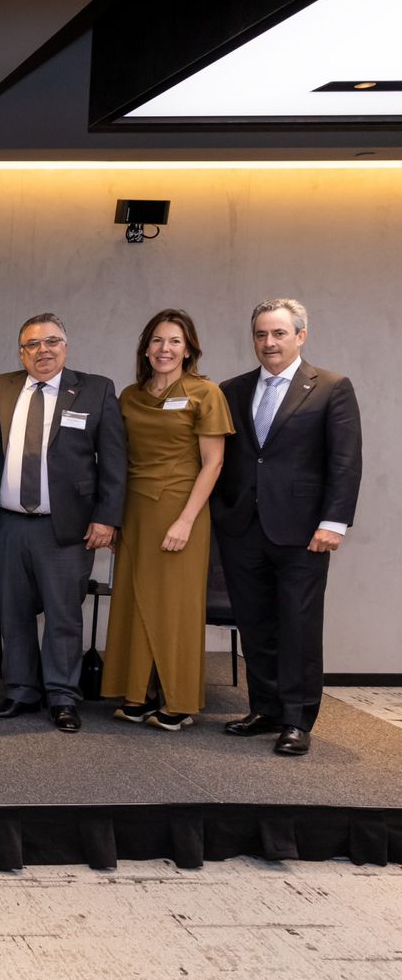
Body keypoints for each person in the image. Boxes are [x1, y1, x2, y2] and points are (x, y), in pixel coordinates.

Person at [212, 299, 362, 756]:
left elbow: (345, 460)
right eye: (261, 334)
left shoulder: (331, 387)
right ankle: (265, 709)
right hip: (243, 529)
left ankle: (297, 719)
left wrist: (333, 522)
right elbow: (224, 459)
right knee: (255, 623)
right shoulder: (232, 389)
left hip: (304, 532)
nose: (269, 342)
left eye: (279, 333)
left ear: (301, 336)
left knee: (298, 625)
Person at [0, 313, 126, 733]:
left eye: (51, 342)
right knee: (13, 613)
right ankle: (21, 690)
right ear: (20, 352)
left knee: (63, 615)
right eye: (32, 344)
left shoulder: (95, 389)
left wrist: (107, 518)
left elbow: (113, 459)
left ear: (65, 345)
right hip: (5, 525)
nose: (43, 351)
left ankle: (62, 696)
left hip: (66, 528)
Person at [103, 309, 233, 731]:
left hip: (180, 508)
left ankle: (179, 700)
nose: (165, 349)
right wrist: (112, 517)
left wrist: (186, 521)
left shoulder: (205, 393)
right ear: (145, 348)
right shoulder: (129, 396)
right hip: (135, 511)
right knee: (135, 600)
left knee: (175, 605)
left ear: (189, 349)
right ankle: (139, 694)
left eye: (175, 341)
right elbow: (117, 460)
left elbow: (213, 464)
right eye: (157, 340)